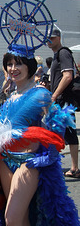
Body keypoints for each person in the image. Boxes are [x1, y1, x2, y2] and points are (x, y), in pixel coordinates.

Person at [0, 44, 79, 225]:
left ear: (29, 66)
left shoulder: (41, 94)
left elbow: (58, 122)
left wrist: (50, 155)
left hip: (29, 162)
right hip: (6, 161)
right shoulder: (11, 95)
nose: (13, 69)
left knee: (12, 217)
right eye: (10, 64)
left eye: (18, 64)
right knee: (22, 217)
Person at [47, 28, 80, 178]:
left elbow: (67, 76)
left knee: (69, 132)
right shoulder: (56, 55)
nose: (49, 41)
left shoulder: (63, 53)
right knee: (56, 132)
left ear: (59, 38)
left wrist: (54, 95)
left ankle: (74, 168)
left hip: (64, 100)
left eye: (52, 38)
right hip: (60, 100)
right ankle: (57, 165)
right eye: (47, 38)